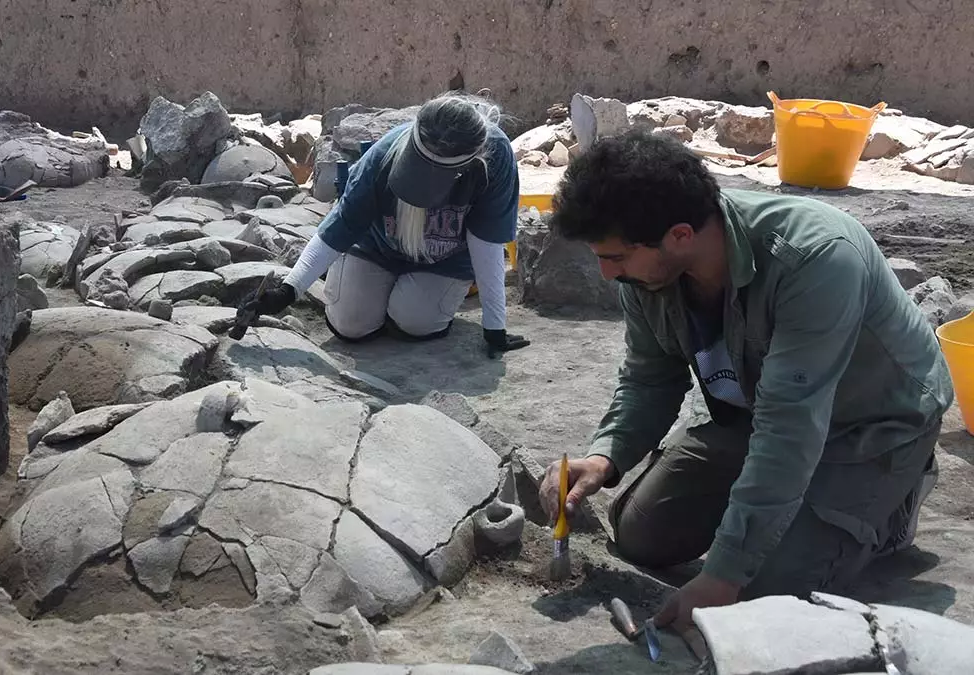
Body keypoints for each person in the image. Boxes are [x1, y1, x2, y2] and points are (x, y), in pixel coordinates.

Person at [537, 129, 953, 631]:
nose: (606, 275)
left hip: (871, 425)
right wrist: (606, 456)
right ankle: (783, 509)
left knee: (762, 595)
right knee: (641, 535)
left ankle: (890, 503)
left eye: (616, 258)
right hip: (761, 411)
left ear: (681, 235)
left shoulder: (816, 257)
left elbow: (790, 427)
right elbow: (650, 381)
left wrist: (725, 574)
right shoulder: (649, 271)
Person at [238, 91, 530, 355]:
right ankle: (376, 291)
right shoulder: (382, 155)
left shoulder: (495, 158)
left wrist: (494, 328)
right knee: (350, 325)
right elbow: (340, 226)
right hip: (376, 247)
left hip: (445, 259)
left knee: (415, 324)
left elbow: (487, 243)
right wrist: (286, 292)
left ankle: (406, 301)